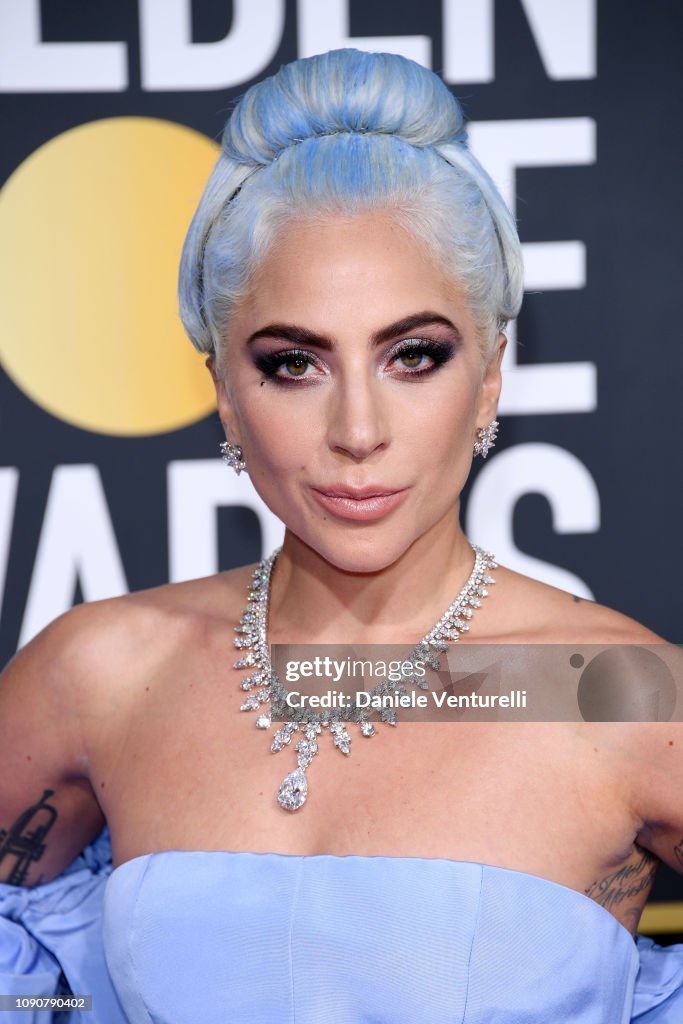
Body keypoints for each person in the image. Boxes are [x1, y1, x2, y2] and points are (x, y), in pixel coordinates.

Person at [1, 47, 682, 1024]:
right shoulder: (99, 674)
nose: (357, 432)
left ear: (490, 372)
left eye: (413, 355)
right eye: (293, 364)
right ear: (224, 396)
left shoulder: (608, 691)